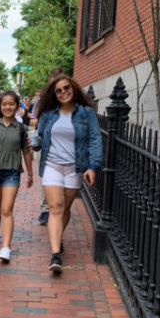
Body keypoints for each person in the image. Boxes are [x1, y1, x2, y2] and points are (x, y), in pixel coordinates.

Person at [36, 75, 102, 273]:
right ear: (54, 94)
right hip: (52, 165)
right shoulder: (48, 114)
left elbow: (95, 139)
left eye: (66, 88)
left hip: (75, 167)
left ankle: (57, 238)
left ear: (73, 88)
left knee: (64, 209)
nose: (63, 92)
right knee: (55, 207)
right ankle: (56, 255)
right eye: (58, 90)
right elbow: (40, 136)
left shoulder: (86, 113)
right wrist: (36, 143)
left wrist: (93, 166)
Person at [0, 90, 33, 263]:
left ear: (17, 107)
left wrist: (30, 173)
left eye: (11, 104)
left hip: (12, 172)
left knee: (6, 209)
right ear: (0, 106)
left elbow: (26, 152)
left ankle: (6, 247)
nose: (8, 107)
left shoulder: (21, 129)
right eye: (5, 104)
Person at [30, 67, 67, 225]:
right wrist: (35, 143)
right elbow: (39, 135)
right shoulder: (45, 107)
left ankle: (54, 210)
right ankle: (46, 210)